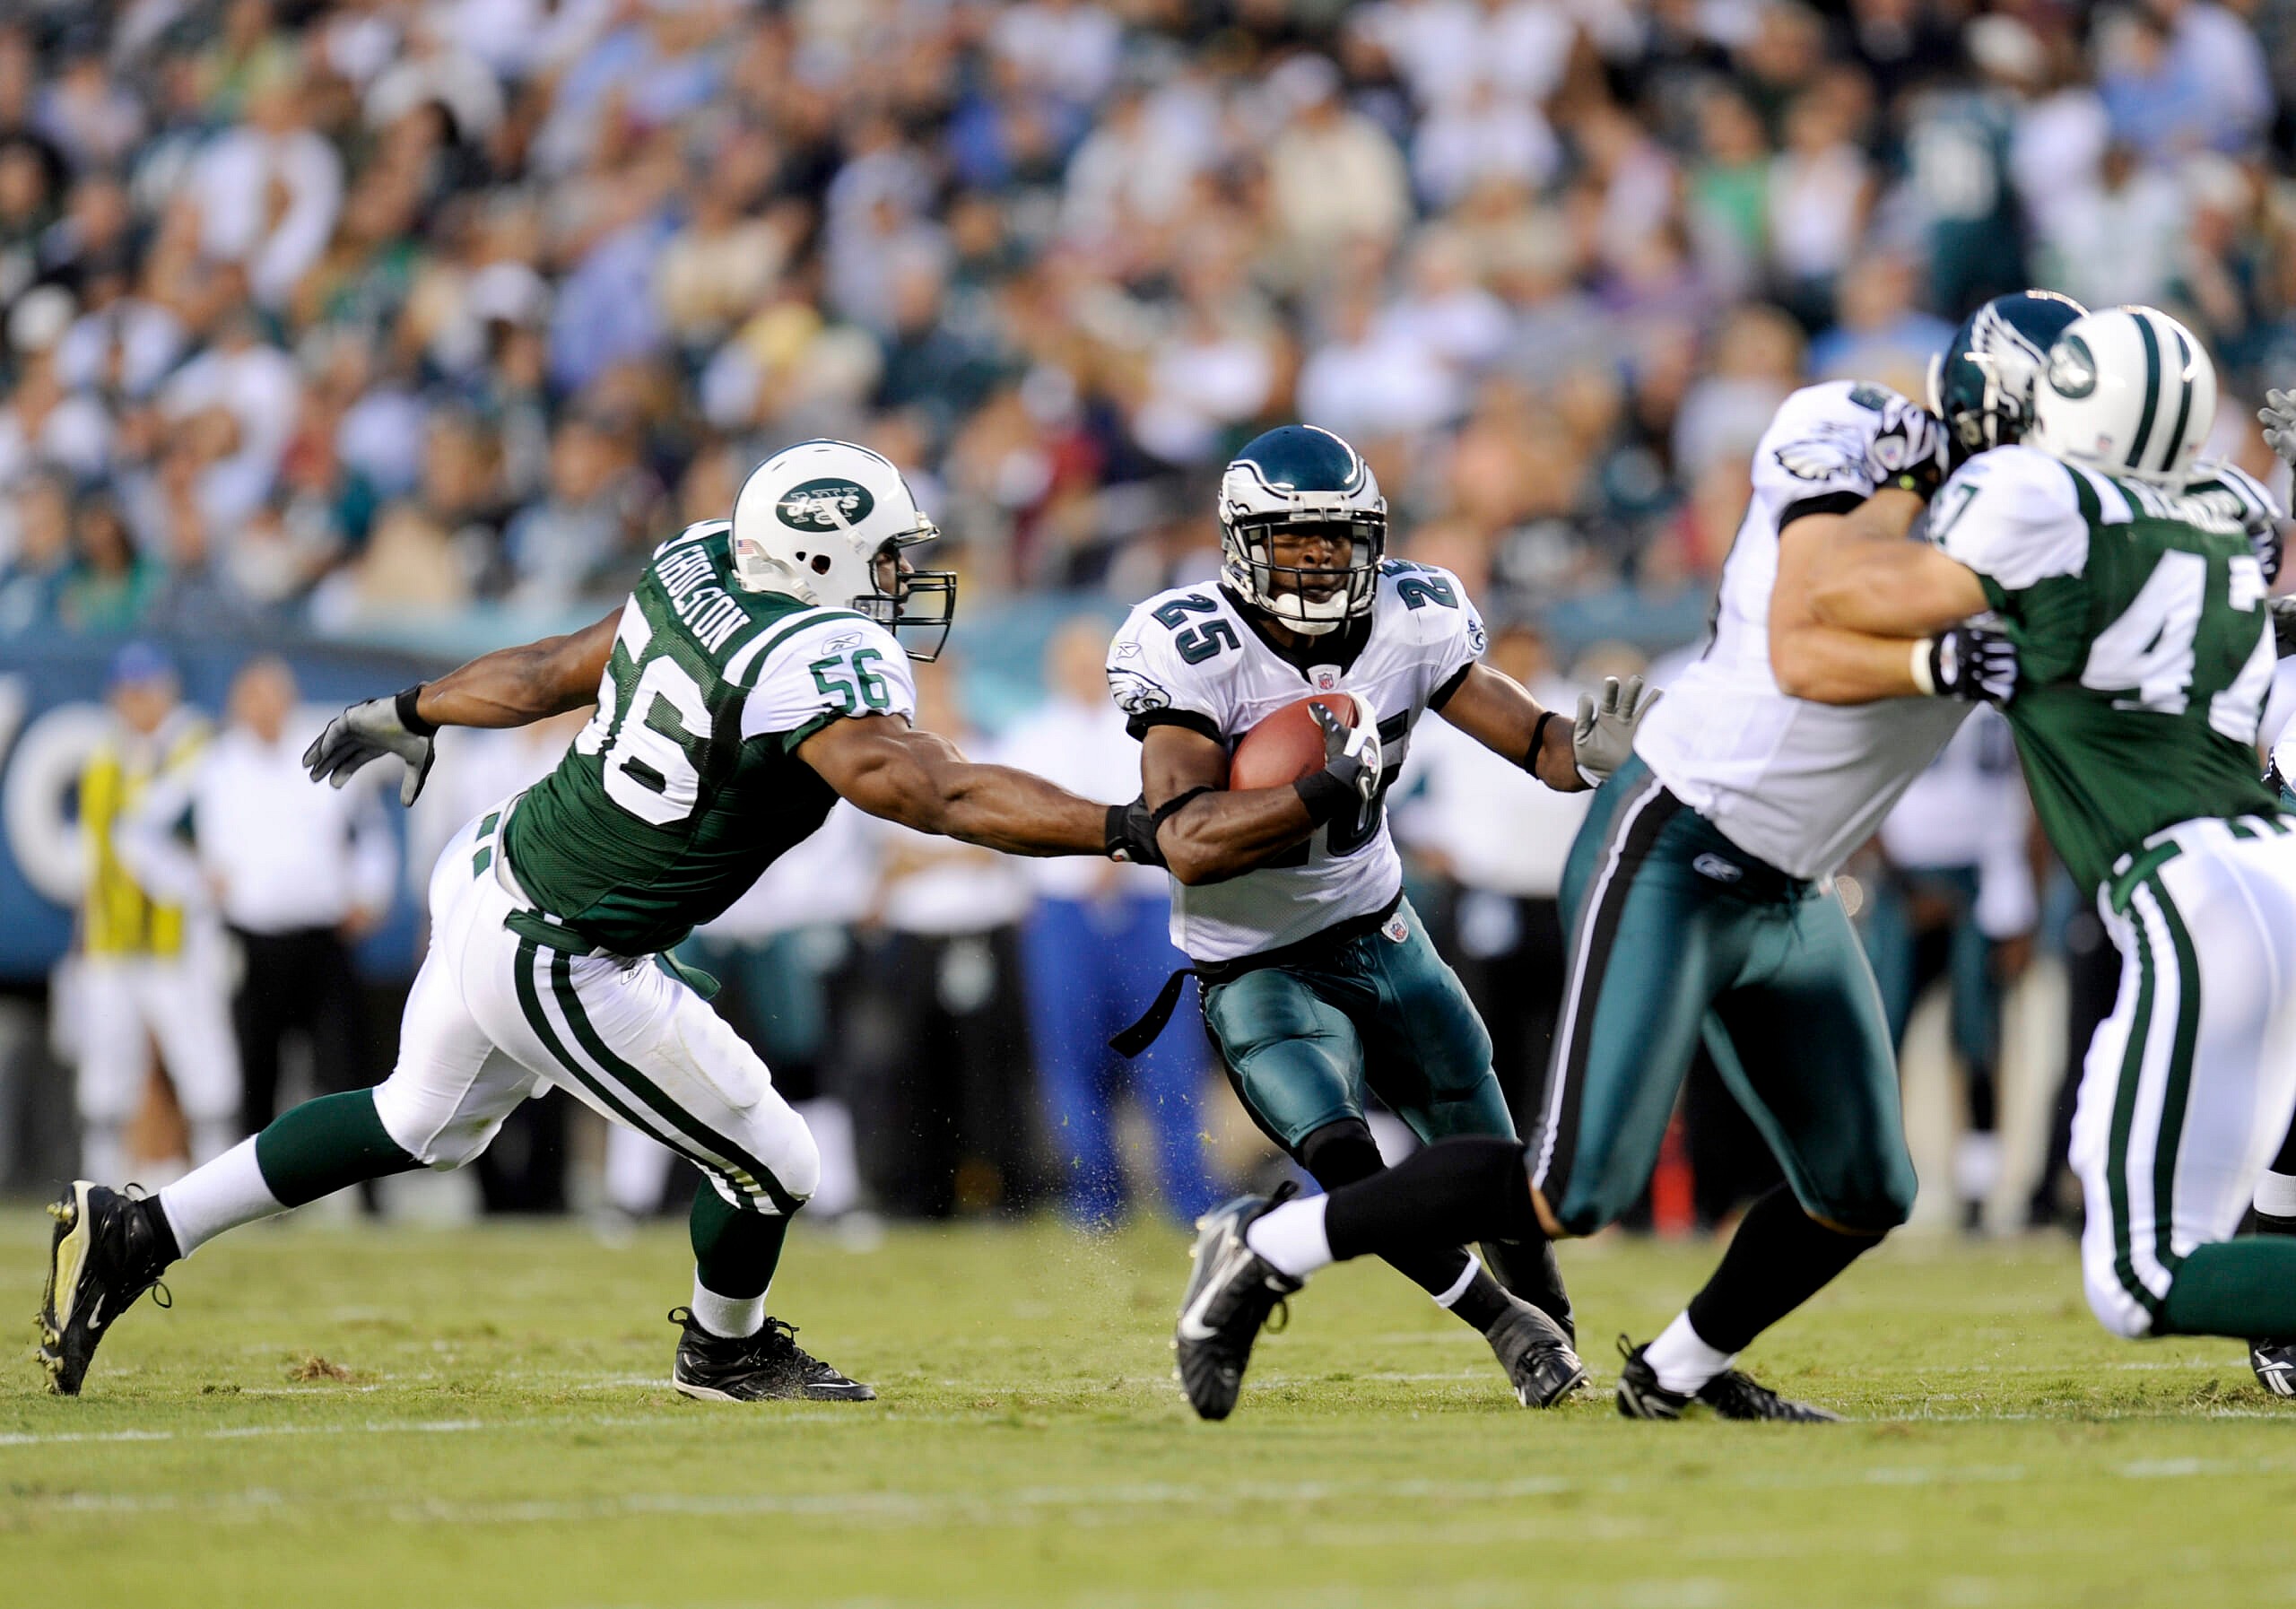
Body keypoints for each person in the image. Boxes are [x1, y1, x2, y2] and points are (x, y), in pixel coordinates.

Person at [37, 438, 1164, 1402]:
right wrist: (1126, 826)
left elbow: (550, 670)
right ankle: (723, 1358)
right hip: (563, 952)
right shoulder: (817, 654)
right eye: (884, 560)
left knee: (412, 1120)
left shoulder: (699, 566)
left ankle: (137, 1231)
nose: (901, 581)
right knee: (775, 1163)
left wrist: (415, 706)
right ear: (817, 558)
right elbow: (939, 793)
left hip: (500, 870)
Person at [1171, 294, 2083, 1424]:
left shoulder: (2049, 524)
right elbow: (1811, 632)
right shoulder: (1848, 430)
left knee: (1864, 1188)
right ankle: (1266, 1243)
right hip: (1680, 838)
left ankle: (1674, 1372)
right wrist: (1962, 653)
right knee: (1572, 1189)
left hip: (1792, 881)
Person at [1112, 423, 1652, 1420]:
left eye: (1338, 539)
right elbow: (1184, 838)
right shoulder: (1188, 643)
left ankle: (1555, 1339)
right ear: (1241, 542)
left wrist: (1583, 753)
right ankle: (1503, 1327)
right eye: (1296, 539)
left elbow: (1531, 740)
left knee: (1496, 1161)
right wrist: (1320, 791)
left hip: (1379, 928)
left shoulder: (1416, 613)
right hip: (1255, 961)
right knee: (1346, 1160)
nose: (1320, 561)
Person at [1801, 305, 2296, 1388]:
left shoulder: (2036, 496)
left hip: (2195, 883)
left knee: (2138, 1278)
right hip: (2270, 859)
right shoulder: (2223, 514)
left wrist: (1890, 489)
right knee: (2242, 1179)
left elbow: (1844, 593)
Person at [1000, 614, 1222, 1227]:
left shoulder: (1148, 735)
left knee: (1171, 1052)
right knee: (1071, 1057)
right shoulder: (1030, 736)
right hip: (1065, 913)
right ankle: (1095, 1194)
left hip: (1149, 907)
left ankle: (1191, 1191)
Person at [121, 656, 398, 1133]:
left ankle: (365, 1190)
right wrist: (191, 880)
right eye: (257, 698)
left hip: (322, 932)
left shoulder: (321, 753)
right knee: (255, 1067)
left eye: (277, 697)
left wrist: (370, 894)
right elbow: (138, 830)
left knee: (345, 1061)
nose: (268, 709)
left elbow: (370, 832)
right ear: (238, 704)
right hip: (251, 936)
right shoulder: (213, 763)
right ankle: (260, 1186)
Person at [69, 642, 241, 1185]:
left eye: (147, 690)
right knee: (105, 1073)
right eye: (129, 691)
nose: (138, 703)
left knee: (204, 1067)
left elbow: (198, 833)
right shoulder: (102, 758)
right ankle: (95, 1190)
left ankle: (219, 1185)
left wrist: (198, 882)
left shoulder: (195, 747)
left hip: (177, 937)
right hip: (112, 939)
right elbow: (97, 855)